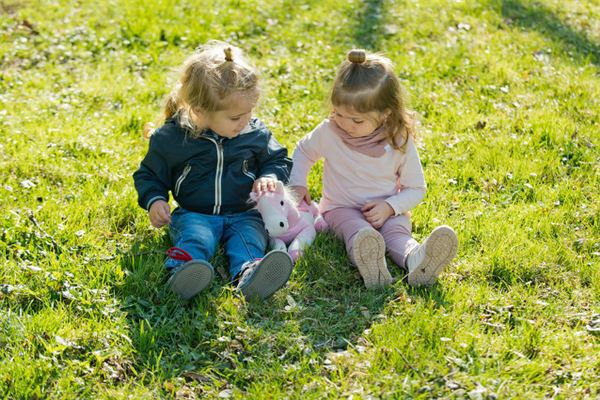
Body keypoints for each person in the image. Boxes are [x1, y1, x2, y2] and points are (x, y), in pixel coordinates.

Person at [133, 41, 294, 300]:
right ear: (200, 110)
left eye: (249, 112)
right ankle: (184, 272)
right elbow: (149, 174)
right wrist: (155, 200)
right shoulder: (173, 138)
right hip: (195, 213)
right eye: (235, 118)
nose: (244, 121)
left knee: (249, 239)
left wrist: (269, 176)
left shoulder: (253, 132)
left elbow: (278, 159)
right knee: (196, 238)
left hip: (244, 212)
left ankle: (250, 273)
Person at [289, 49, 458, 289]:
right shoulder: (329, 131)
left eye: (357, 120)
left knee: (397, 235)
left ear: (385, 114)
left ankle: (416, 260)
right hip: (340, 208)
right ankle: (369, 261)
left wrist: (390, 207)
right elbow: (304, 151)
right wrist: (298, 181)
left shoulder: (398, 140)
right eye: (338, 114)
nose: (346, 125)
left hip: (385, 209)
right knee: (357, 232)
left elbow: (416, 188)